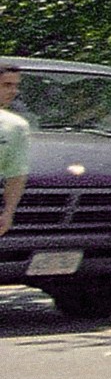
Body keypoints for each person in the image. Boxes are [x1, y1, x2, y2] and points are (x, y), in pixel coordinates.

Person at [0, 64, 27, 244]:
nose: (13, 91)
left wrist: (8, 212)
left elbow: (16, 174)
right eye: (6, 85)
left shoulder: (15, 126)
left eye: (16, 86)